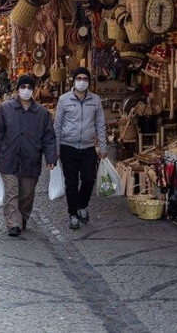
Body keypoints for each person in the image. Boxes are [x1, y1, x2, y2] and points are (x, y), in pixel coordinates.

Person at [0, 74, 57, 237]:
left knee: (27, 194)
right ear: (18, 89)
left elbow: (49, 138)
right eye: (23, 87)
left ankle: (23, 217)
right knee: (12, 192)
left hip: (31, 159)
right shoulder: (6, 108)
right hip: (9, 158)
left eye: (29, 87)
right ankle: (14, 223)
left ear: (33, 90)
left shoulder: (42, 113)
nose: (26, 90)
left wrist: (51, 158)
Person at [54, 67, 107, 230]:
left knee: (89, 179)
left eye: (85, 79)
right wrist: (56, 150)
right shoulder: (64, 100)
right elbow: (57, 126)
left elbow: (100, 124)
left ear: (89, 81)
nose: (82, 81)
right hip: (68, 147)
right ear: (74, 80)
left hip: (88, 147)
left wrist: (103, 147)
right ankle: (73, 214)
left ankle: (82, 206)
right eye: (79, 78)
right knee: (71, 182)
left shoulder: (95, 100)